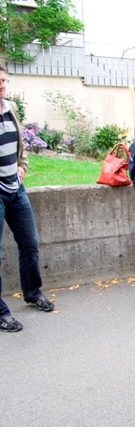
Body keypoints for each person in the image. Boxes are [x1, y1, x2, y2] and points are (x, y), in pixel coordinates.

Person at [0, 65, 55, 332]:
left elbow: (20, 147)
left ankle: (32, 292)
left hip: (16, 188)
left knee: (29, 243)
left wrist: (22, 166)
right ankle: (1, 312)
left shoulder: (9, 108)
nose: (2, 85)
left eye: (3, 80)